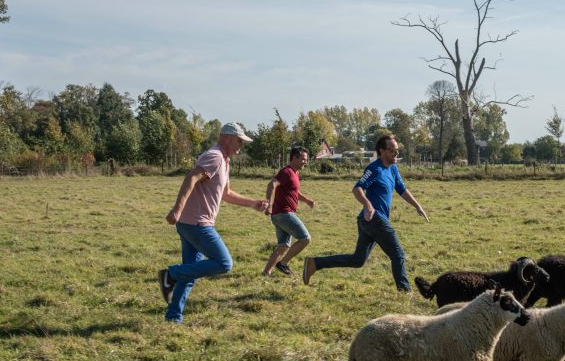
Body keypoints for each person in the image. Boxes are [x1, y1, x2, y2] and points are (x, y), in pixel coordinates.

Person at [159, 122, 268, 323]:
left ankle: (173, 317)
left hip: (191, 223)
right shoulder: (215, 156)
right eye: (238, 141)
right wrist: (177, 209)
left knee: (191, 271)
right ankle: (171, 274)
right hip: (197, 224)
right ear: (226, 137)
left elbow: (226, 194)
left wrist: (253, 203)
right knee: (224, 263)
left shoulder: (224, 161)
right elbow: (191, 178)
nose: (241, 146)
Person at [303, 134, 428, 291]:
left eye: (397, 151)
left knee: (358, 260)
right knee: (398, 255)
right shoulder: (374, 169)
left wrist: (417, 206)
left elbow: (401, 189)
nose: (396, 154)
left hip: (369, 221)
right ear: (382, 151)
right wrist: (368, 205)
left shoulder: (393, 169)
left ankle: (315, 263)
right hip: (374, 219)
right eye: (393, 151)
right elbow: (357, 189)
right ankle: (405, 291)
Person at [262, 146, 316, 276]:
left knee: (283, 246)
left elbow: (294, 191)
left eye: (306, 160)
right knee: (305, 238)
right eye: (303, 159)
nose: (305, 162)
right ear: (295, 158)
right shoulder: (286, 171)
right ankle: (283, 263)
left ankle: (266, 272)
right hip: (284, 214)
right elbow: (272, 184)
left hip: (279, 215)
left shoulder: (295, 173)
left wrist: (307, 200)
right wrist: (268, 203)